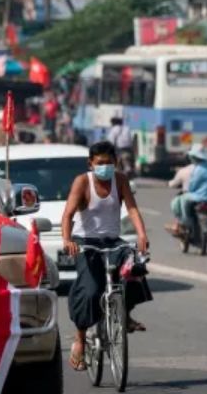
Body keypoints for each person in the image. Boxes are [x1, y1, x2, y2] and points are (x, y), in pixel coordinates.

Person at [61, 141, 152, 370]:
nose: (105, 167)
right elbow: (68, 214)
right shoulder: (82, 182)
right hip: (86, 242)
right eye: (100, 163)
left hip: (113, 241)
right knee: (91, 290)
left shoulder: (120, 180)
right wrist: (67, 240)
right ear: (91, 163)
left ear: (116, 163)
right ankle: (80, 339)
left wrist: (141, 234)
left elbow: (131, 208)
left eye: (109, 163)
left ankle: (125, 313)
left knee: (134, 268)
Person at [169, 144, 207, 231]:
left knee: (180, 201)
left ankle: (184, 222)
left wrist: (188, 191)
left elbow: (192, 185)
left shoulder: (198, 169)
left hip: (197, 196)